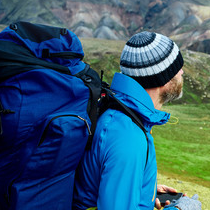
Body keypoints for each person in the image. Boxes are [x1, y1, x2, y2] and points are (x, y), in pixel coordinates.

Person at [73, 31, 202, 210]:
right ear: (162, 78)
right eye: (177, 68)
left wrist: (144, 191)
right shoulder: (128, 137)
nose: (181, 72)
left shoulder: (117, 112)